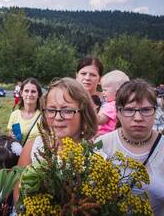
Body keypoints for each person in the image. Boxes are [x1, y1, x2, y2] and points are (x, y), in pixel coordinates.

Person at [96, 79, 164, 215]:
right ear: (118, 113)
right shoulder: (102, 144)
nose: (138, 117)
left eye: (146, 110)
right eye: (129, 110)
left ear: (155, 111)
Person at [17, 77, 98, 174]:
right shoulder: (31, 148)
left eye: (67, 111)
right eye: (51, 110)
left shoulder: (95, 159)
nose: (58, 117)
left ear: (84, 114)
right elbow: (19, 187)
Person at [7, 78, 43, 144]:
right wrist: (11, 136)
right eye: (26, 91)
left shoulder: (43, 116)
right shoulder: (14, 114)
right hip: (18, 153)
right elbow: (9, 134)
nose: (29, 94)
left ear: (38, 94)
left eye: (33, 91)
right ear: (21, 93)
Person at [96, 70, 129, 136]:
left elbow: (100, 121)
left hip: (104, 135)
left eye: (105, 90)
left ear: (117, 92)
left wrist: (90, 111)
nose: (103, 92)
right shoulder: (123, 104)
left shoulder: (111, 106)